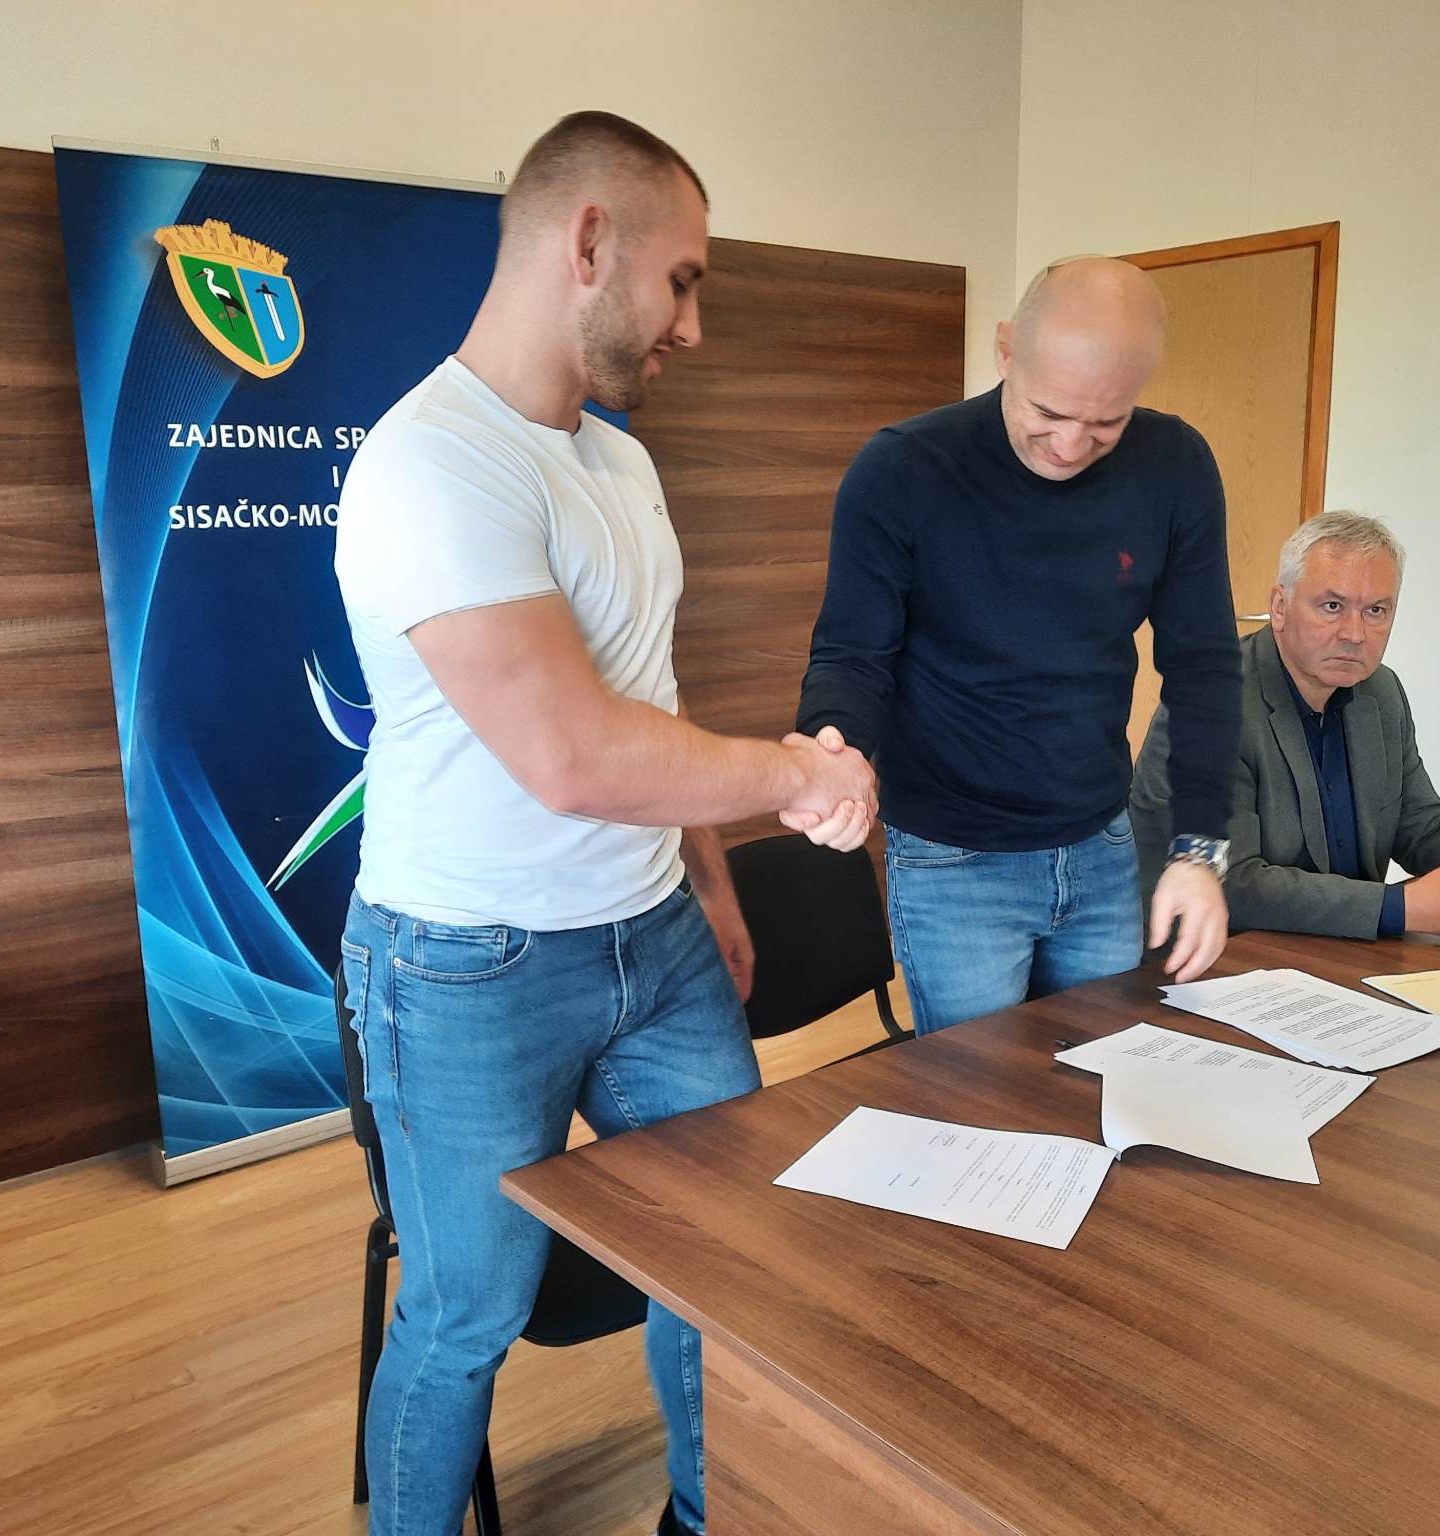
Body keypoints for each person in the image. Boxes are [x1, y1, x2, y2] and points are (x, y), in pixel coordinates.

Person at [332, 110, 874, 1536]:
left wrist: (713, 884)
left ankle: (707, 1515)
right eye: (682, 280)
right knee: (467, 1317)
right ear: (587, 243)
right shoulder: (431, 465)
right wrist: (793, 777)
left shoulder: (620, 466)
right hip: (466, 967)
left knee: (728, 1248)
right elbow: (572, 757)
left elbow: (646, 701)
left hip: (653, 938)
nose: (693, 324)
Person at [795, 256, 1243, 1036]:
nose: (1069, 445)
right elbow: (852, 654)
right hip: (953, 859)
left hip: (1100, 844)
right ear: (1006, 351)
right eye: (1048, 411)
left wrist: (1199, 851)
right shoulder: (904, 470)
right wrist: (834, 748)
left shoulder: (1175, 467)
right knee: (976, 1095)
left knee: (1104, 1072)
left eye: (1105, 425)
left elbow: (1203, 665)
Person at [1130, 511, 1440, 937]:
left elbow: (1420, 824)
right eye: (1332, 606)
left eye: (1376, 610)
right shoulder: (1209, 703)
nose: (1355, 634)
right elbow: (1232, 882)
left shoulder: (1380, 692)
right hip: (1211, 965)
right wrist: (1402, 908)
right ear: (1280, 606)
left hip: (1337, 962)